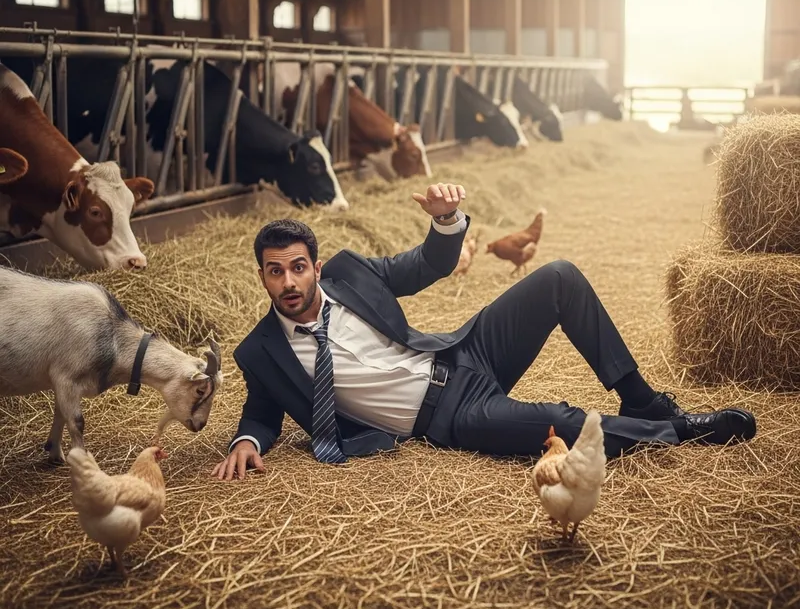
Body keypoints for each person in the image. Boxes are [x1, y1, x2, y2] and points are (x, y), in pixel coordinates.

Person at [211, 182, 756, 480]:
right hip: (450, 416)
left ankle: (646, 403)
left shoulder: (353, 271)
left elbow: (426, 264)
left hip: (463, 353)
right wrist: (246, 439)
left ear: (317, 266)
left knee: (558, 277)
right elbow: (262, 410)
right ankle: (684, 433)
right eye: (275, 270)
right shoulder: (260, 351)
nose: (288, 281)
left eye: (298, 266)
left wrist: (446, 222)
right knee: (562, 423)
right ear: (261, 274)